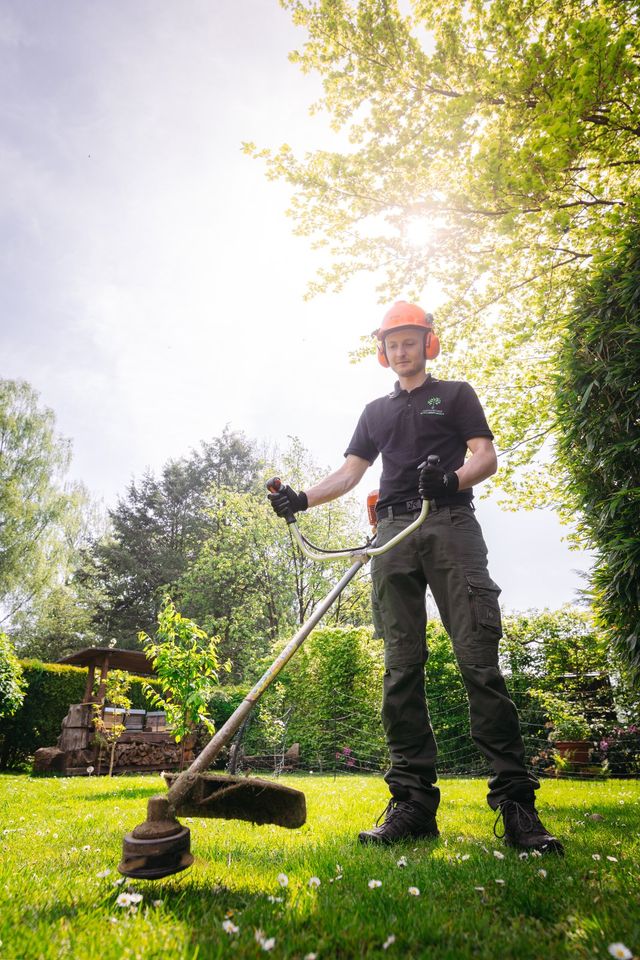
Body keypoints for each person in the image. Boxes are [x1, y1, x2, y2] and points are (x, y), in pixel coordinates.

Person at [268, 301, 563, 855]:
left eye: (410, 341)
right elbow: (352, 473)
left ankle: (519, 808)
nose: (401, 351)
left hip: (449, 523)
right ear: (382, 352)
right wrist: (300, 498)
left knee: (479, 661)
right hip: (391, 535)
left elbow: (485, 456)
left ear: (428, 343)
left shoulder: (455, 394)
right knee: (400, 669)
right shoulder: (375, 412)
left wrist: (448, 479)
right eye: (392, 343)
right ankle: (412, 805)